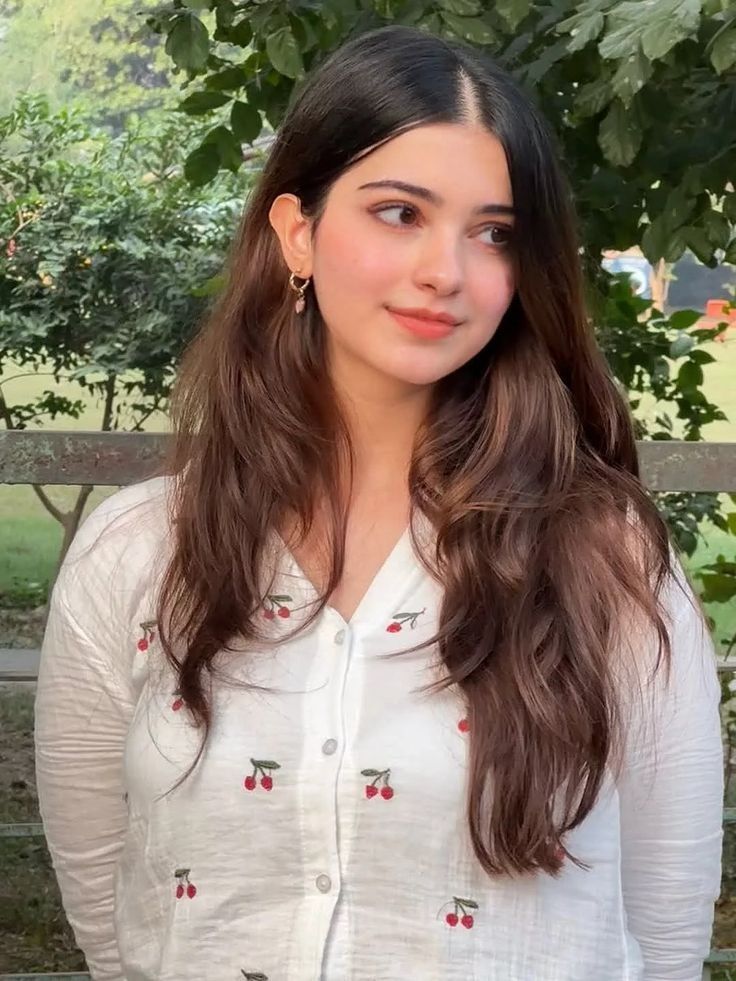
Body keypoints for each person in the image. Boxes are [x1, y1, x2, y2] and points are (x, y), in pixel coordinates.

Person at [34, 24, 724, 981]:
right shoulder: (139, 552)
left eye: (494, 232)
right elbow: (113, 916)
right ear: (298, 233)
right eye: (400, 212)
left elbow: (666, 923)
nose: (447, 270)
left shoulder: (606, 563)